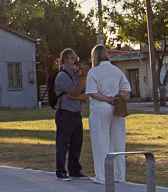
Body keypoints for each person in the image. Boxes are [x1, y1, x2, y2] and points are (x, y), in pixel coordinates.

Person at [85, 51, 132, 181]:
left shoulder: (93, 72)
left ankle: (102, 176)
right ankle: (119, 175)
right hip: (116, 108)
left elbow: (92, 92)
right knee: (118, 142)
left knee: (100, 143)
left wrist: (107, 99)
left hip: (100, 109)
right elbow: (127, 89)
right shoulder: (117, 70)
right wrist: (116, 97)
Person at [52, 48, 88, 180]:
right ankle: (60, 170)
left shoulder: (74, 75)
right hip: (65, 114)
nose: (75, 60)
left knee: (76, 143)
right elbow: (75, 92)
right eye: (72, 58)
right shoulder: (62, 76)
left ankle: (74, 169)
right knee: (63, 143)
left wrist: (77, 95)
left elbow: (80, 93)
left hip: (76, 113)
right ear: (64, 60)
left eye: (75, 57)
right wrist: (83, 78)